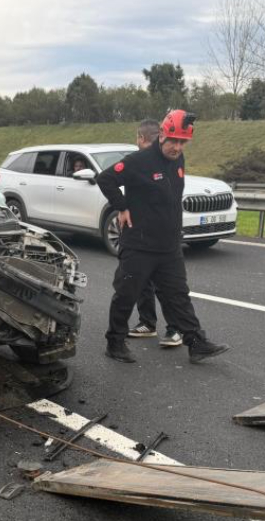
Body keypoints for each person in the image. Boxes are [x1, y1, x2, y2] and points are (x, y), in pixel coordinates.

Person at [96, 110, 230, 364]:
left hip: (169, 246)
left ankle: (196, 342)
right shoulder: (138, 161)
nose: (177, 147)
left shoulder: (178, 160)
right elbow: (106, 179)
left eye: (183, 142)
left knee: (178, 296)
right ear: (162, 135)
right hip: (139, 244)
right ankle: (115, 342)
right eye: (174, 141)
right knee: (126, 294)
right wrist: (121, 207)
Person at [126, 119, 182, 348]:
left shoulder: (166, 160)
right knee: (144, 279)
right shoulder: (138, 161)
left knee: (165, 284)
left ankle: (174, 328)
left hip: (160, 235)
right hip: (143, 234)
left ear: (141, 138)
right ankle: (149, 323)